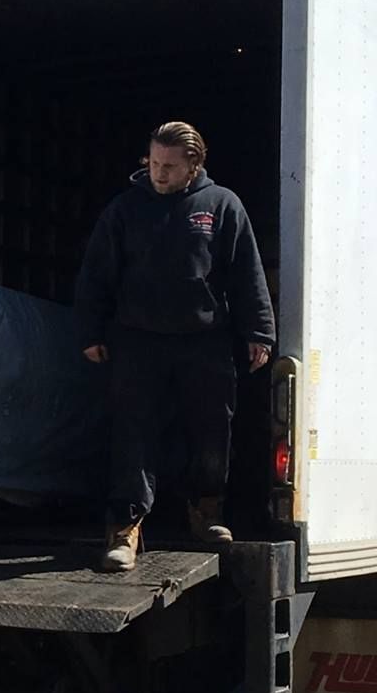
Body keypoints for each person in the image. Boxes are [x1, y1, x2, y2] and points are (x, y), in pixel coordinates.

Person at [74, 121, 274, 574]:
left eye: (169, 167)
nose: (158, 174)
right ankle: (124, 531)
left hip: (205, 340)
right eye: (153, 163)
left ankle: (206, 512)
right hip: (138, 339)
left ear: (193, 166)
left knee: (210, 430)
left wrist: (259, 331)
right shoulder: (125, 210)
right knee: (133, 433)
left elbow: (246, 272)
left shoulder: (221, 206)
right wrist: (90, 332)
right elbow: (96, 275)